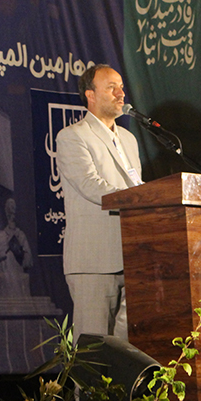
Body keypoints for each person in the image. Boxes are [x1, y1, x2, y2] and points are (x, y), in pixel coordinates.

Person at [56, 64, 143, 340]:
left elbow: (136, 184)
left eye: (121, 87)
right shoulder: (73, 136)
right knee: (93, 352)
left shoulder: (129, 139)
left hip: (132, 258)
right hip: (94, 261)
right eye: (112, 87)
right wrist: (140, 199)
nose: (121, 94)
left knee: (127, 354)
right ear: (90, 95)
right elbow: (90, 185)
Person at [0, 198, 33, 297]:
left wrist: (20, 251)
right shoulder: (0, 235)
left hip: (18, 277)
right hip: (5, 277)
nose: (11, 210)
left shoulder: (21, 235)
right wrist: (7, 245)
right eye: (9, 208)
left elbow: (28, 261)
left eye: (13, 207)